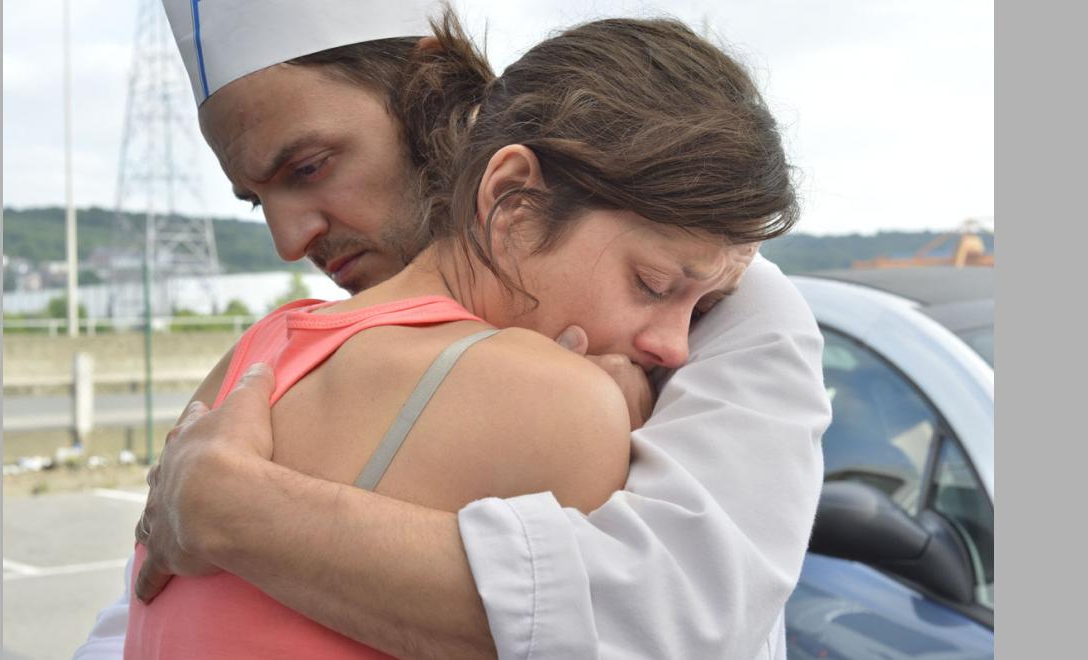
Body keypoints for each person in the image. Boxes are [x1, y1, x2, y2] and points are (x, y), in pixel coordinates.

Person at [75, 3, 831, 659]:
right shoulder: (562, 397)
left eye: (309, 166)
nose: (287, 240)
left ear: (430, 101)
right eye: (254, 199)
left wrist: (233, 509)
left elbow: (680, 617)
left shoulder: (257, 353)